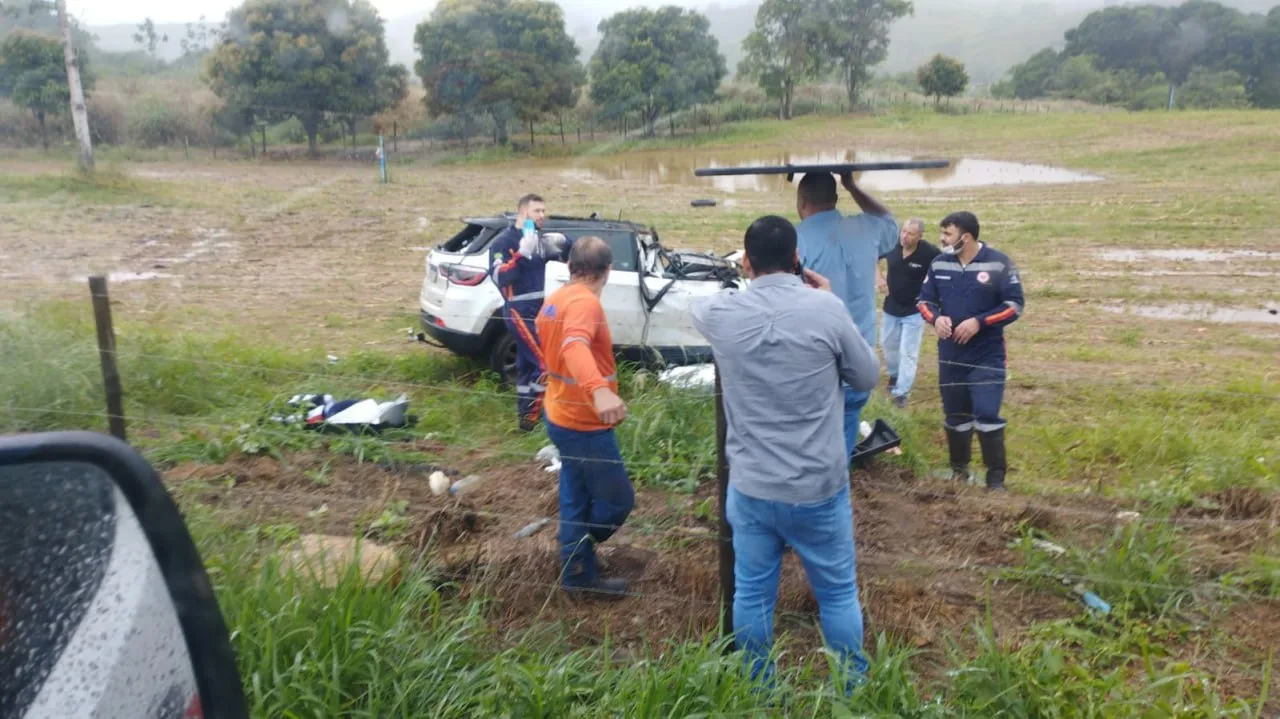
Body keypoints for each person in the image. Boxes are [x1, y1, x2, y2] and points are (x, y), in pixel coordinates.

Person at [691, 216, 881, 692]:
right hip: (818, 485)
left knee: (752, 594)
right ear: (798, 260)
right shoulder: (826, 309)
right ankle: (849, 690)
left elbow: (702, 304)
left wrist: (740, 279)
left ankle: (761, 691)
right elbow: (866, 377)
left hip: (752, 486)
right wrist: (830, 299)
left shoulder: (720, 313)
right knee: (837, 594)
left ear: (747, 261)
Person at [536, 236, 635, 600]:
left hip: (559, 413)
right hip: (584, 422)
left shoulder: (555, 300)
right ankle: (577, 548)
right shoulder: (585, 305)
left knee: (575, 493)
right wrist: (600, 390)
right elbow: (574, 345)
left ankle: (577, 575)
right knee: (618, 501)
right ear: (607, 271)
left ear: (569, 268)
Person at [916, 211, 1025, 491]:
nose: (941, 239)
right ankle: (959, 472)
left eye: (947, 234)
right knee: (955, 416)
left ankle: (996, 480)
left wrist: (980, 322)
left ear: (966, 237)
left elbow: (1014, 305)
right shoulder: (939, 264)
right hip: (950, 356)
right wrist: (935, 318)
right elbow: (924, 301)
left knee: (987, 413)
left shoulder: (999, 263)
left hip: (987, 356)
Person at [795, 171, 899, 460]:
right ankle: (839, 485)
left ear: (801, 202)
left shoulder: (796, 239)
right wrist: (853, 185)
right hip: (859, 352)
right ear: (836, 199)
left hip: (815, 356)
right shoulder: (867, 229)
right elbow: (890, 222)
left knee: (810, 438)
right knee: (845, 430)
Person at [488, 193, 572, 432]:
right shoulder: (503, 242)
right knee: (544, 365)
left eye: (544, 211)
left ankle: (525, 419)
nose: (543, 216)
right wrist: (522, 255)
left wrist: (566, 241)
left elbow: (571, 255)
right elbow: (499, 277)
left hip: (540, 309)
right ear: (524, 213)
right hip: (518, 309)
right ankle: (538, 418)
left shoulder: (539, 239)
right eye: (538, 211)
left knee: (526, 366)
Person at [877, 218, 940, 408]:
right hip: (891, 306)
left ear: (920, 236)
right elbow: (873, 258)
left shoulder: (929, 253)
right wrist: (879, 278)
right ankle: (894, 375)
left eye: (910, 233)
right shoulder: (891, 245)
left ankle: (901, 393)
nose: (904, 236)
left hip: (915, 309)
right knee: (888, 344)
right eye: (903, 231)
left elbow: (944, 268)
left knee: (908, 352)